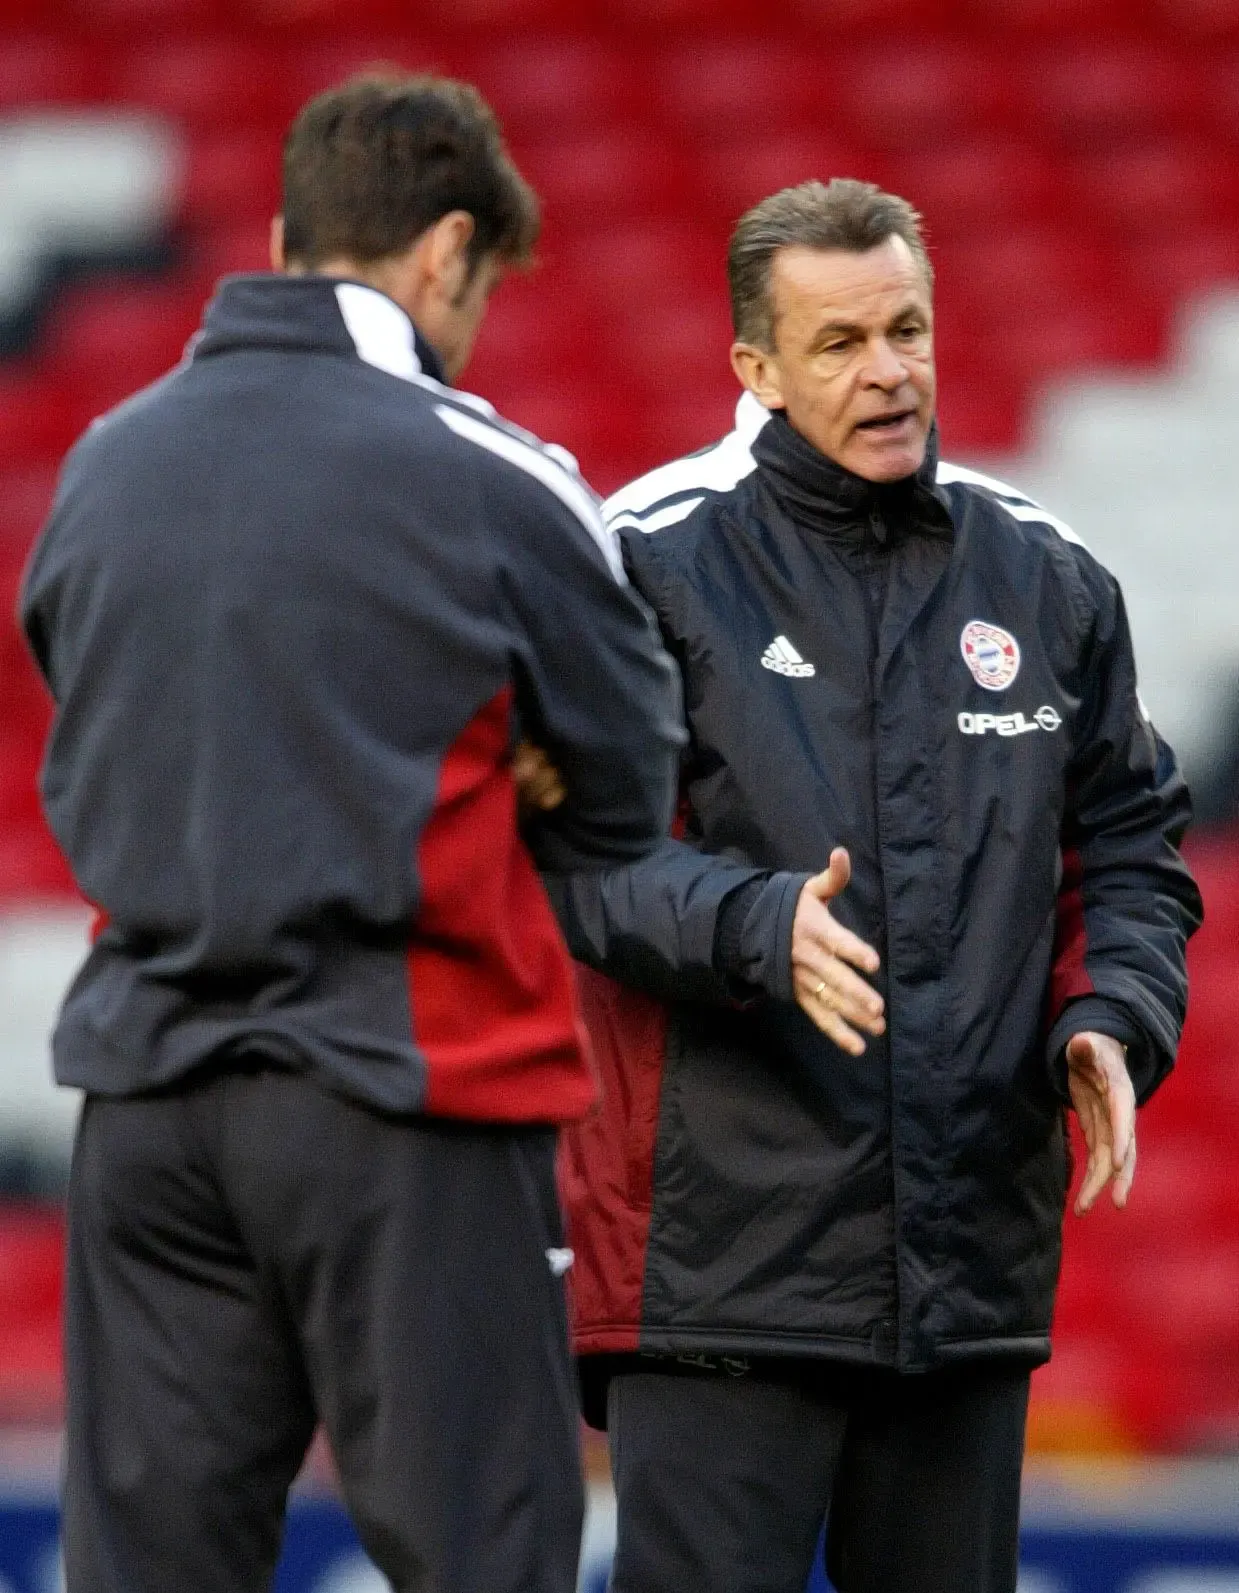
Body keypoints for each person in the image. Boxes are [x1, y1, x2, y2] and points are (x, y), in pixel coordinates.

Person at [20, 73, 683, 1593]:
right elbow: (627, 785)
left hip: (147, 1098)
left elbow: (100, 697)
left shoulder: (106, 465)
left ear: (282, 234)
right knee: (483, 1558)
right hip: (405, 1092)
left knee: (147, 1572)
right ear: (449, 253)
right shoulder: (487, 471)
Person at [547, 179, 1202, 1593]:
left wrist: (1113, 1012)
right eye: (839, 343)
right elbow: (575, 859)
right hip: (714, 1273)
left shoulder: (1046, 574)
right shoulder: (644, 555)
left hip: (962, 1270)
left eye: (906, 329)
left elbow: (1127, 843)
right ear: (755, 371)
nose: (889, 369)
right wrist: (751, 922)